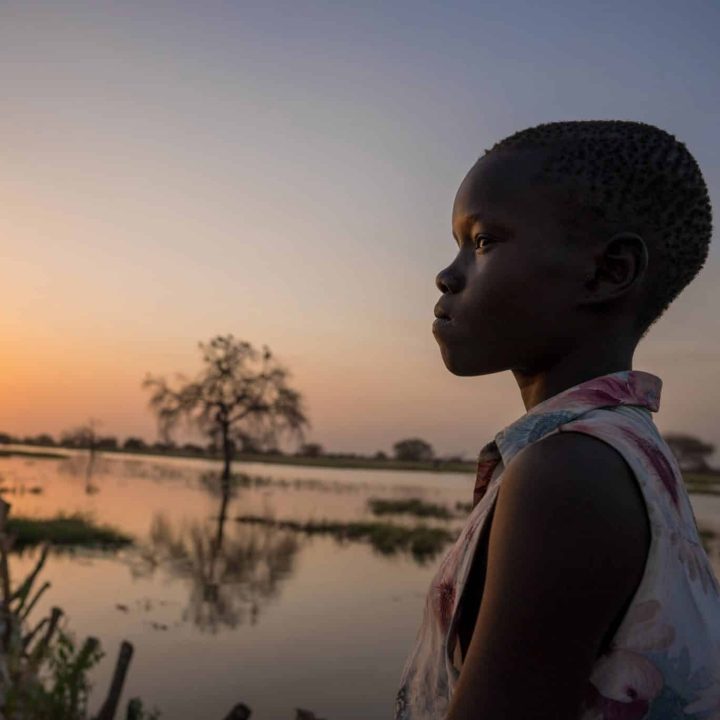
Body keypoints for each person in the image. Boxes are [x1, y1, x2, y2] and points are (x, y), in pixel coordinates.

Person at [394, 120, 720, 720]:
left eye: (484, 242)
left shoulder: (568, 473)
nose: (447, 275)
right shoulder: (617, 451)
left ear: (609, 271)